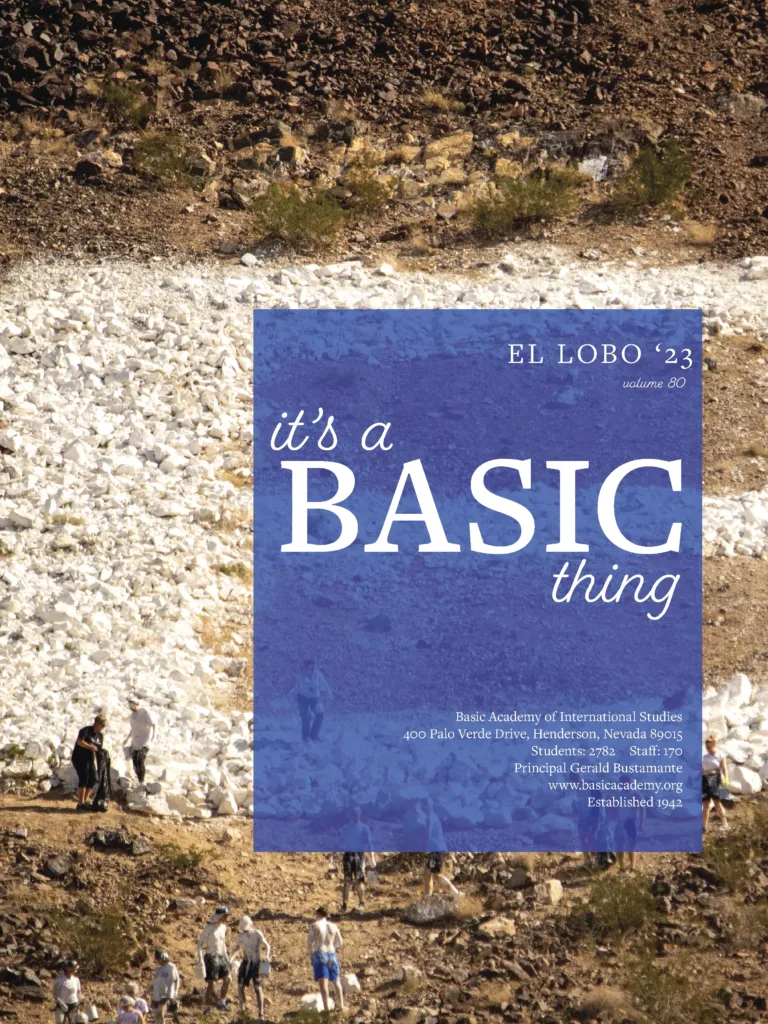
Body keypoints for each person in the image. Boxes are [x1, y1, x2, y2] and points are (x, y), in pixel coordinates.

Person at [421, 800, 461, 899]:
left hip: (436, 849)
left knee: (436, 874)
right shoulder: (432, 816)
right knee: (428, 873)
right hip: (436, 849)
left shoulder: (430, 818)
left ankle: (456, 893)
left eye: (424, 805)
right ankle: (428, 897)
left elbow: (428, 835)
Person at [307, 907, 344, 1013]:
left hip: (320, 953)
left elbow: (310, 944)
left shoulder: (314, 926)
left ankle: (326, 1008)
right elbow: (340, 943)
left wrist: (311, 956)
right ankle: (341, 1005)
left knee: (324, 984)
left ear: (318, 914)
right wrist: (332, 946)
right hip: (332, 954)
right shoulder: (333, 926)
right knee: (336, 981)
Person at [341, 806, 376, 912]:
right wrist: (332, 856)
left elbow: (369, 843)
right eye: (354, 813)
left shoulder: (364, 828)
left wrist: (372, 857)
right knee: (347, 881)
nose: (356, 815)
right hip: (348, 855)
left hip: (359, 855)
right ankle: (344, 904)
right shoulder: (346, 828)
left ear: (360, 814)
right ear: (350, 815)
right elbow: (340, 842)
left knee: (359, 880)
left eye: (357, 813)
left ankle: (361, 903)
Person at [234, 915, 271, 1018]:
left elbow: (266, 945)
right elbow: (236, 948)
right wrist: (231, 959)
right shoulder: (240, 936)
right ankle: (243, 1011)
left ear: (251, 924)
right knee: (240, 986)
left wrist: (266, 956)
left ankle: (261, 1013)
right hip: (246, 961)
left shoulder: (257, 933)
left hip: (256, 962)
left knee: (258, 987)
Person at [197, 906, 231, 1014]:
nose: (226, 919)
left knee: (227, 979)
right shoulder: (209, 927)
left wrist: (227, 959)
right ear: (220, 916)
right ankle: (207, 1007)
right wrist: (200, 959)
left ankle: (222, 1002)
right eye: (225, 916)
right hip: (211, 957)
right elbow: (200, 943)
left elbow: (223, 944)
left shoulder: (223, 928)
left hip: (220, 956)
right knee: (211, 984)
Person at [71, 714, 107, 810]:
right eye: (102, 725)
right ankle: (80, 803)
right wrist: (90, 747)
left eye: (104, 726)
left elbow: (98, 749)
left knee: (93, 779)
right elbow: (80, 742)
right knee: (84, 778)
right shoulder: (86, 730)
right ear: (96, 723)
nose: (103, 727)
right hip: (79, 758)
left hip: (90, 759)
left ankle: (85, 801)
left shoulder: (100, 736)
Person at [295, 658, 332, 742]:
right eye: (310, 668)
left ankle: (314, 735)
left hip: (315, 699)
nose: (313, 670)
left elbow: (324, 683)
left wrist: (329, 694)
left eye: (314, 668)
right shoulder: (300, 674)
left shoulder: (318, 674)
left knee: (320, 713)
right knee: (306, 716)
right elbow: (292, 684)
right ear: (305, 667)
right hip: (303, 698)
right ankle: (306, 737)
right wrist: (287, 695)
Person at [123, 696, 156, 785]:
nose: (131, 707)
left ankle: (142, 781)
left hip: (144, 742)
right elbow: (133, 729)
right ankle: (139, 780)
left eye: (133, 705)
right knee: (135, 761)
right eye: (130, 705)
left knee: (140, 759)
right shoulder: (133, 716)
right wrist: (127, 739)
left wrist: (153, 737)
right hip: (135, 742)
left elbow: (153, 724)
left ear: (137, 704)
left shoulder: (145, 712)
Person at [703, 733, 729, 832]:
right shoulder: (705, 757)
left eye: (709, 747)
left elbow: (724, 768)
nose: (708, 749)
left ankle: (725, 824)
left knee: (717, 803)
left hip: (716, 779)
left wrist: (726, 780)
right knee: (705, 804)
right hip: (705, 780)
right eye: (706, 747)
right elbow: (702, 770)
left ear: (714, 745)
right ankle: (704, 826)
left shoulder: (720, 755)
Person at [151, 948, 180, 1023]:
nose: (158, 961)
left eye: (159, 959)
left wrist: (176, 991)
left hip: (167, 994)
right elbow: (155, 983)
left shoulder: (171, 967)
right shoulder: (159, 970)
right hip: (158, 995)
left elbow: (176, 980)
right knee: (157, 1015)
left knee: (161, 1012)